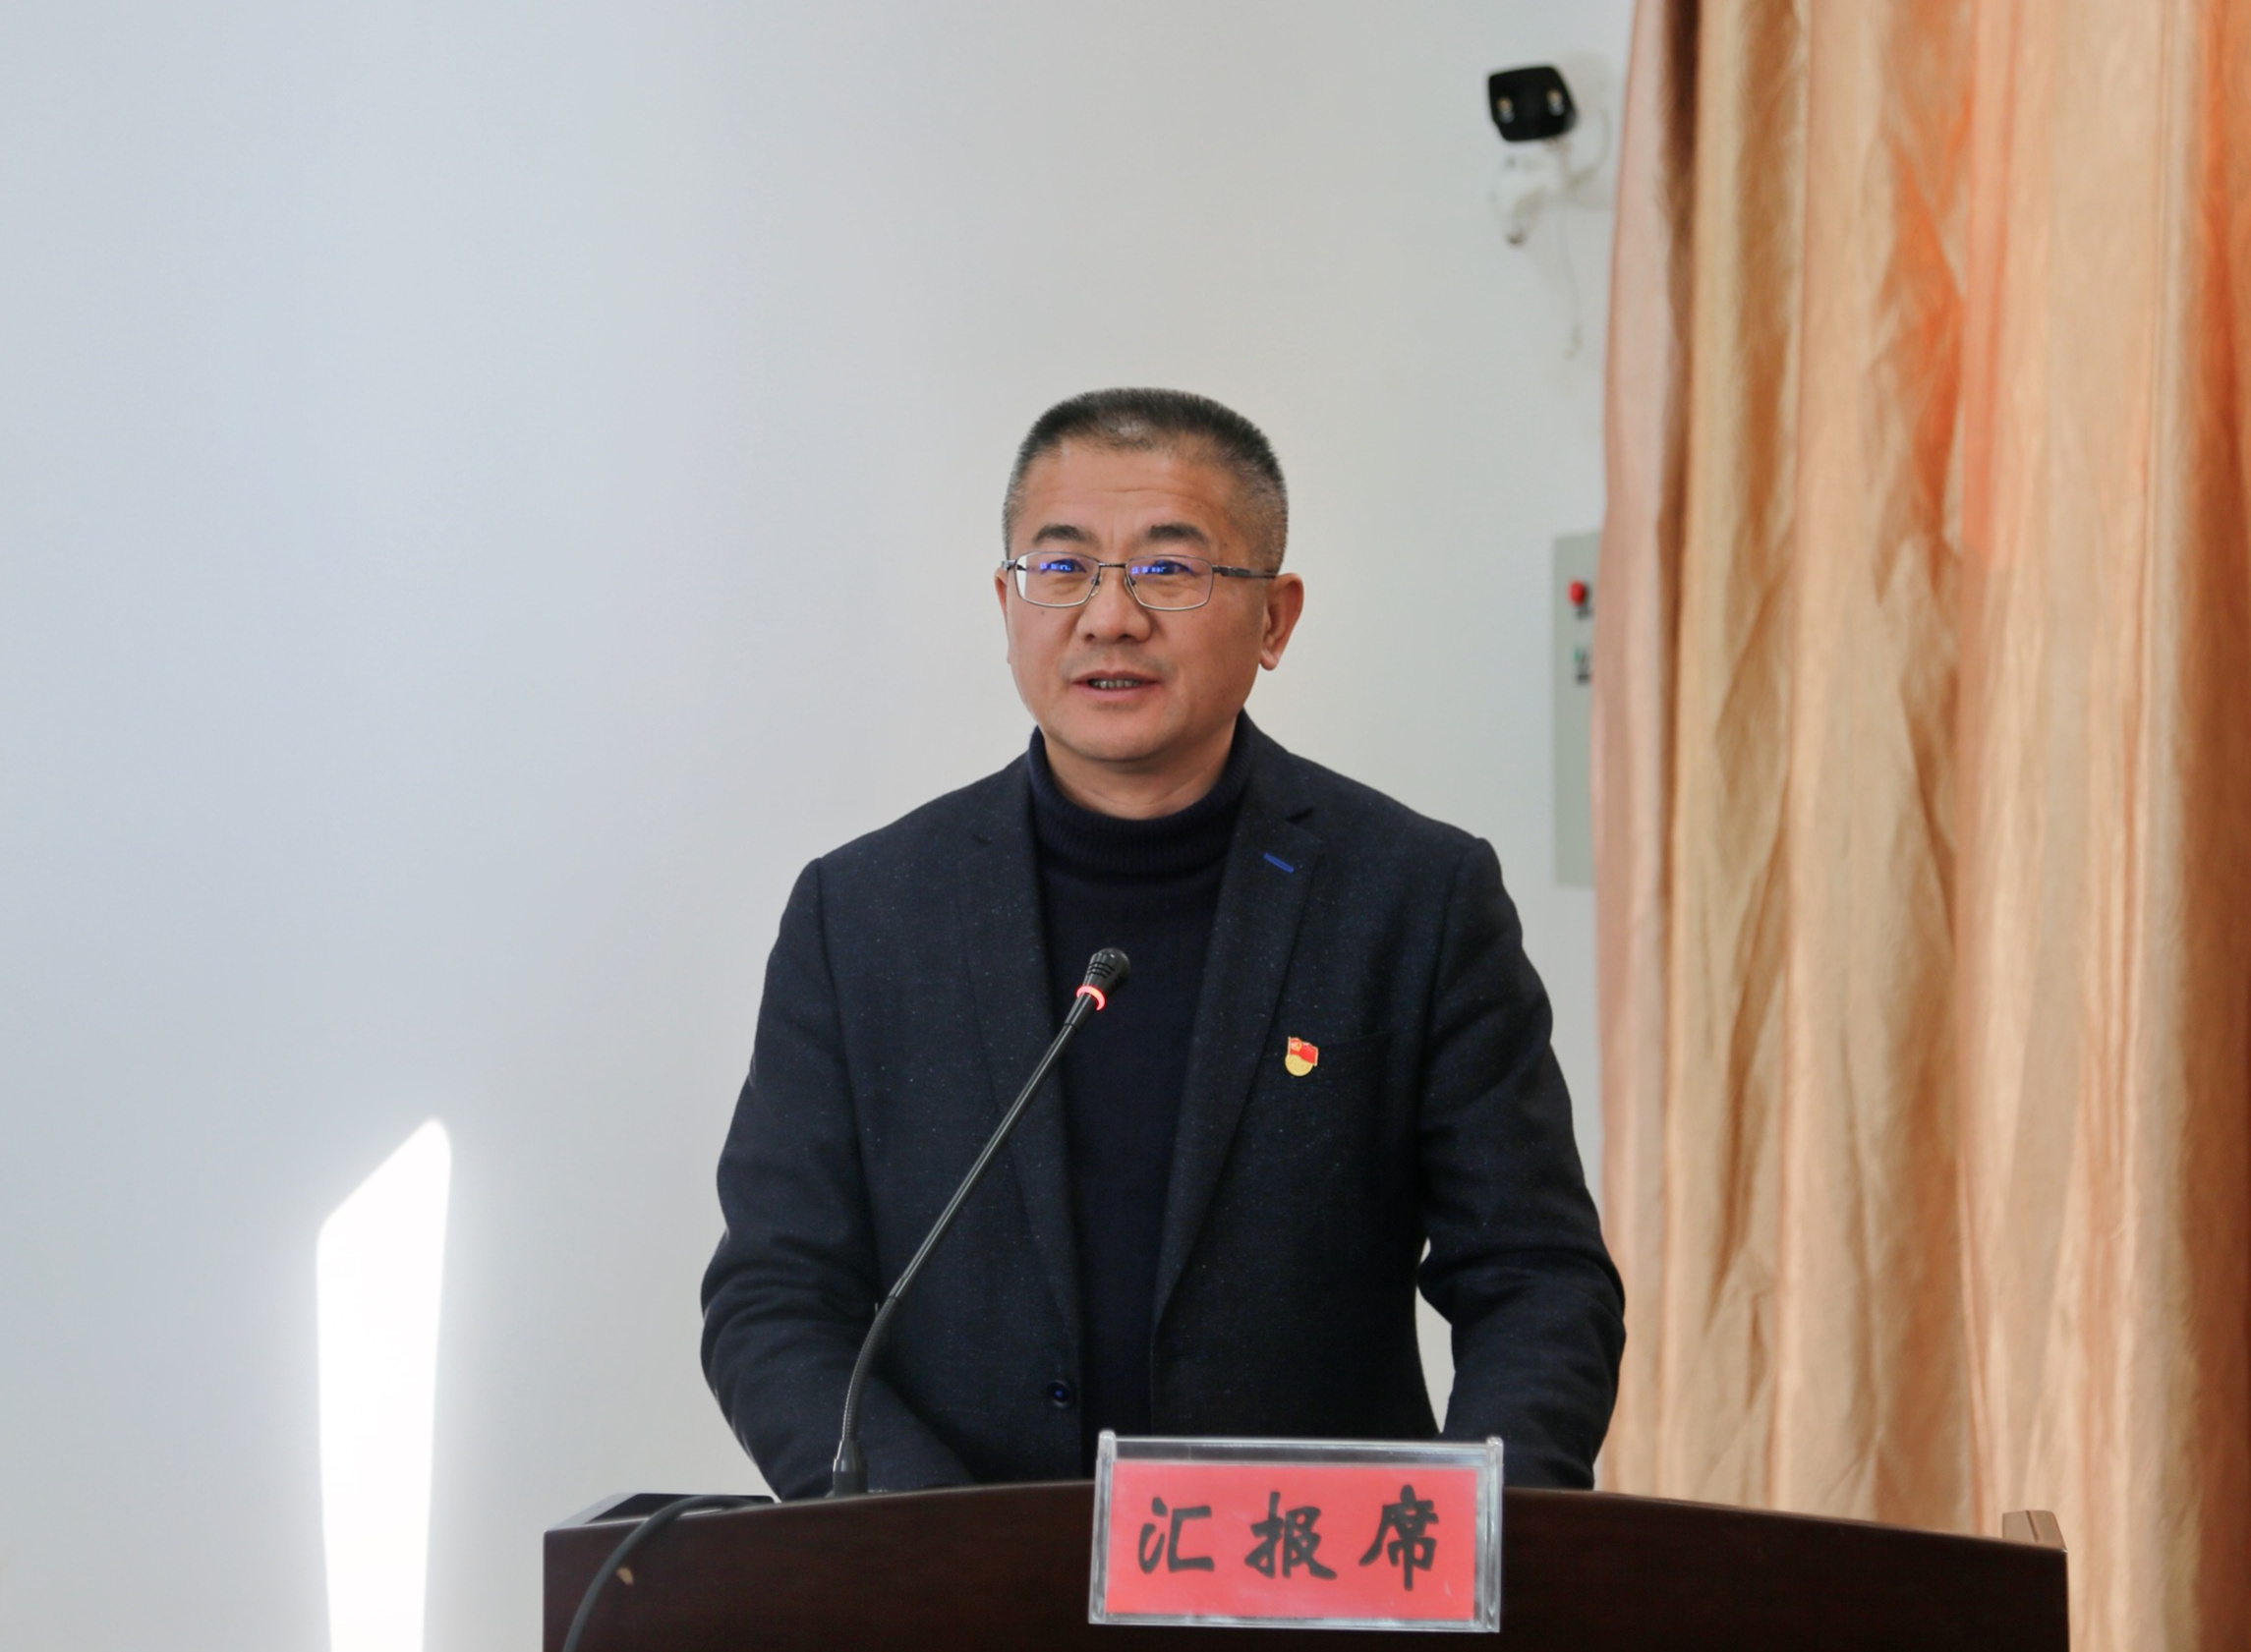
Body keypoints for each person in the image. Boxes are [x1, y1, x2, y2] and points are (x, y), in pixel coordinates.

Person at [701, 388, 1623, 1500]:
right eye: (1061, 567)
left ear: (1274, 618)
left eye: (1167, 569)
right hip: (957, 1571)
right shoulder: (862, 915)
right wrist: (923, 1539)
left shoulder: (1414, 899)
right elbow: (774, 1297)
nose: (1110, 616)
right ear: (1007, 603)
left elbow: (1535, 1277)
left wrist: (1473, 1542)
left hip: (1307, 1569)